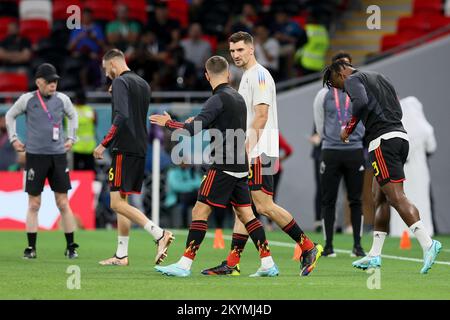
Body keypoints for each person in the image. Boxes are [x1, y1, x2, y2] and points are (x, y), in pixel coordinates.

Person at [201, 32, 322, 277]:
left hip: (259, 151)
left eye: (240, 50)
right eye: (232, 51)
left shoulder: (259, 75)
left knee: (263, 206)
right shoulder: (246, 77)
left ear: (252, 49)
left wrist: (246, 148)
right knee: (243, 208)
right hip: (254, 150)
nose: (235, 55)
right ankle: (232, 262)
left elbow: (262, 116)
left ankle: (308, 246)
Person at [150, 55, 279, 277]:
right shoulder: (238, 98)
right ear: (228, 75)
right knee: (247, 215)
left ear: (207, 75)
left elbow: (192, 131)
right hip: (240, 164)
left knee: (200, 210)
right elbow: (221, 126)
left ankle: (184, 265)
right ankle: (268, 264)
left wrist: (168, 123)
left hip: (223, 165)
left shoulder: (216, 100)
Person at [323, 60, 442, 274]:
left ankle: (427, 244)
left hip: (383, 140)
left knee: (396, 197)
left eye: (334, 82)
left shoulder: (352, 79)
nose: (339, 88)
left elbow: (359, 103)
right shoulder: (381, 77)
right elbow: (396, 105)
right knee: (379, 197)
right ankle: (375, 255)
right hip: (399, 136)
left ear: (340, 72)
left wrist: (348, 129)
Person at [94, 49, 174, 266]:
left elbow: (122, 115)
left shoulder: (120, 82)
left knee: (115, 203)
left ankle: (159, 234)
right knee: (122, 200)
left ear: (112, 65)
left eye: (106, 69)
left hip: (123, 147)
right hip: (140, 147)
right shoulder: (142, 83)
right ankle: (121, 255)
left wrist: (104, 143)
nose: (107, 75)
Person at [5, 63, 79, 259]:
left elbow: (73, 116)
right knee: (34, 204)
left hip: (57, 156)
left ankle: (71, 246)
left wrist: (72, 138)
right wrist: (14, 138)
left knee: (63, 202)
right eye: (49, 81)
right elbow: (10, 115)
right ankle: (31, 248)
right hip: (35, 157)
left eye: (55, 81)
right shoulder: (27, 99)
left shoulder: (62, 99)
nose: (53, 84)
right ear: (39, 82)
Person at [313, 52, 365, 257]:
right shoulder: (323, 94)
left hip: (354, 150)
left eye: (348, 66)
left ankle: (358, 246)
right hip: (331, 151)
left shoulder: (359, 90)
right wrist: (330, 138)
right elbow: (319, 123)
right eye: (341, 67)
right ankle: (328, 246)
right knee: (328, 200)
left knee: (356, 200)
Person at [389, 96, 437, 236]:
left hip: (401, 170)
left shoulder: (397, 128)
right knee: (421, 201)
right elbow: (432, 147)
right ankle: (424, 230)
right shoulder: (425, 129)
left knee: (401, 199)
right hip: (420, 169)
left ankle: (401, 231)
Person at [72, 90, 96, 171]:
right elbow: (95, 123)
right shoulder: (91, 110)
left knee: (77, 174)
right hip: (85, 147)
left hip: (77, 147)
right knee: (89, 173)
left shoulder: (71, 110)